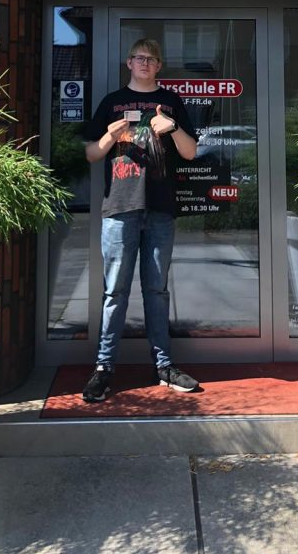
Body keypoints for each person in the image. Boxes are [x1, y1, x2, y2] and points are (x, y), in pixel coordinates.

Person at [81, 38, 199, 402]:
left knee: (157, 292)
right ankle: (103, 369)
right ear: (129, 63)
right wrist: (110, 135)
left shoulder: (171, 102)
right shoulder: (112, 102)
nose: (145, 63)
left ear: (159, 66)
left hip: (160, 208)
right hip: (119, 208)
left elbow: (190, 152)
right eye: (139, 58)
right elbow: (91, 154)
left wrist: (172, 127)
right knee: (114, 292)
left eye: (151, 59)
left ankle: (164, 366)